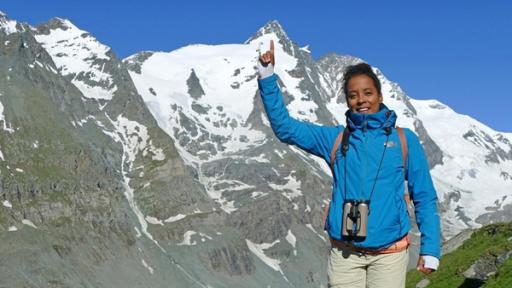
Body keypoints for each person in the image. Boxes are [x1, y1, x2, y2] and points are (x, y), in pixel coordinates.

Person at [257, 40, 440, 288]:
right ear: (347, 100)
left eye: (367, 93)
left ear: (380, 95)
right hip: (345, 254)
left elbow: (424, 197)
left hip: (390, 254)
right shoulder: (335, 139)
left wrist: (430, 249)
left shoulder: (404, 140)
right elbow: (285, 128)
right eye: (353, 95)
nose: (361, 100)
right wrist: (267, 75)